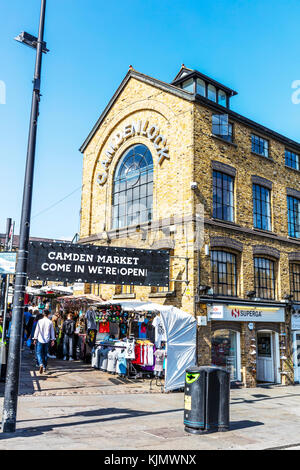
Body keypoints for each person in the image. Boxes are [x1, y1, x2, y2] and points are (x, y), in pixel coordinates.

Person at [33, 309, 56, 374]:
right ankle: (45, 367)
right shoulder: (50, 322)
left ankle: (40, 364)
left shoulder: (39, 321)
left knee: (38, 353)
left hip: (40, 339)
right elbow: (52, 331)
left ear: (43, 314)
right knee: (45, 353)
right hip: (47, 339)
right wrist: (53, 339)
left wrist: (35, 338)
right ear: (48, 314)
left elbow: (37, 330)